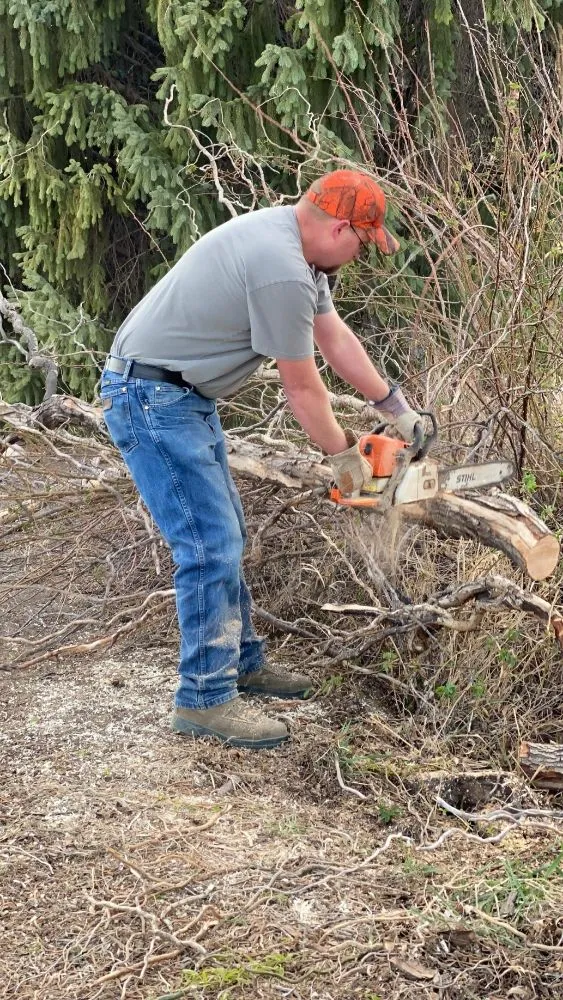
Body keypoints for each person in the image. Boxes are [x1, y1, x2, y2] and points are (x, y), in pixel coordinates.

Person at [100, 169, 422, 750]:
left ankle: (242, 663)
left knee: (228, 532)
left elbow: (335, 340)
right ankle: (204, 699)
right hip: (151, 398)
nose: (361, 254)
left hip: (179, 396)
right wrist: (349, 465)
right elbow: (302, 389)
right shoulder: (281, 269)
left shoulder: (297, 251)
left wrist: (395, 408)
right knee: (208, 545)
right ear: (341, 228)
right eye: (362, 243)